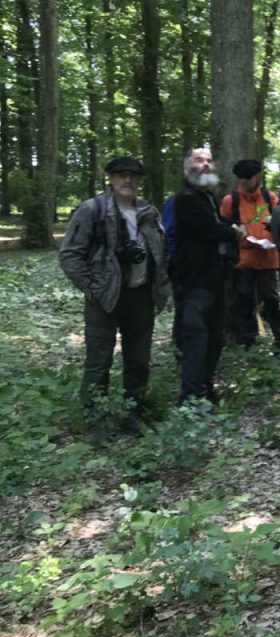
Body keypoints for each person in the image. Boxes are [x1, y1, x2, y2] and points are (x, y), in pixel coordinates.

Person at [59, 156, 171, 432]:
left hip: (141, 296)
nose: (127, 180)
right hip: (104, 298)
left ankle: (134, 415)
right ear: (110, 178)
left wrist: (160, 285)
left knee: (139, 360)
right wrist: (92, 288)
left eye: (133, 176)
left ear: (139, 181)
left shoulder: (149, 212)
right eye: (121, 175)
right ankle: (96, 420)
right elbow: (70, 255)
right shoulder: (92, 210)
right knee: (99, 361)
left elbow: (161, 252)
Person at [173, 148, 245, 401]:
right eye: (198, 160)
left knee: (214, 338)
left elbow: (216, 226)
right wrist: (234, 231)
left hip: (215, 278)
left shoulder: (207, 197)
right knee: (196, 339)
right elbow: (209, 230)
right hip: (194, 282)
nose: (205, 164)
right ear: (186, 169)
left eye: (209, 161)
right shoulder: (186, 199)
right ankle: (191, 397)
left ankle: (205, 389)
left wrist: (229, 229)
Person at [219, 159, 280, 350]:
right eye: (240, 177)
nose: (244, 181)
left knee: (271, 299)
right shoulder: (230, 201)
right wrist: (234, 230)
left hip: (268, 258)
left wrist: (273, 230)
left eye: (247, 177)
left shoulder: (270, 198)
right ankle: (249, 341)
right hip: (243, 259)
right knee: (245, 299)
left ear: (257, 177)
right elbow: (222, 226)